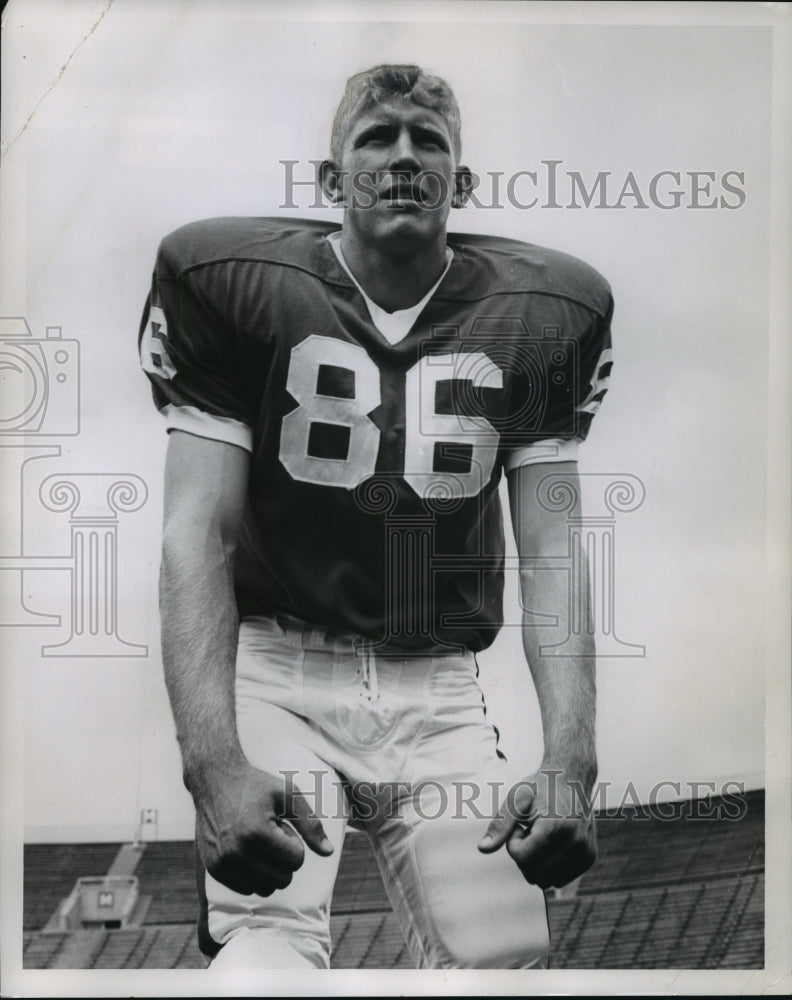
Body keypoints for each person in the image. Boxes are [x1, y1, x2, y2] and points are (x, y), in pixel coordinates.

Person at [138, 64, 612, 970]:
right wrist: (212, 762)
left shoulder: (549, 311)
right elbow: (197, 530)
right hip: (277, 667)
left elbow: (554, 549)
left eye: (428, 142)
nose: (403, 157)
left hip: (437, 686)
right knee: (266, 944)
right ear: (330, 181)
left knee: (501, 953)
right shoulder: (229, 280)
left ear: (461, 185)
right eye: (376, 139)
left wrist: (571, 759)